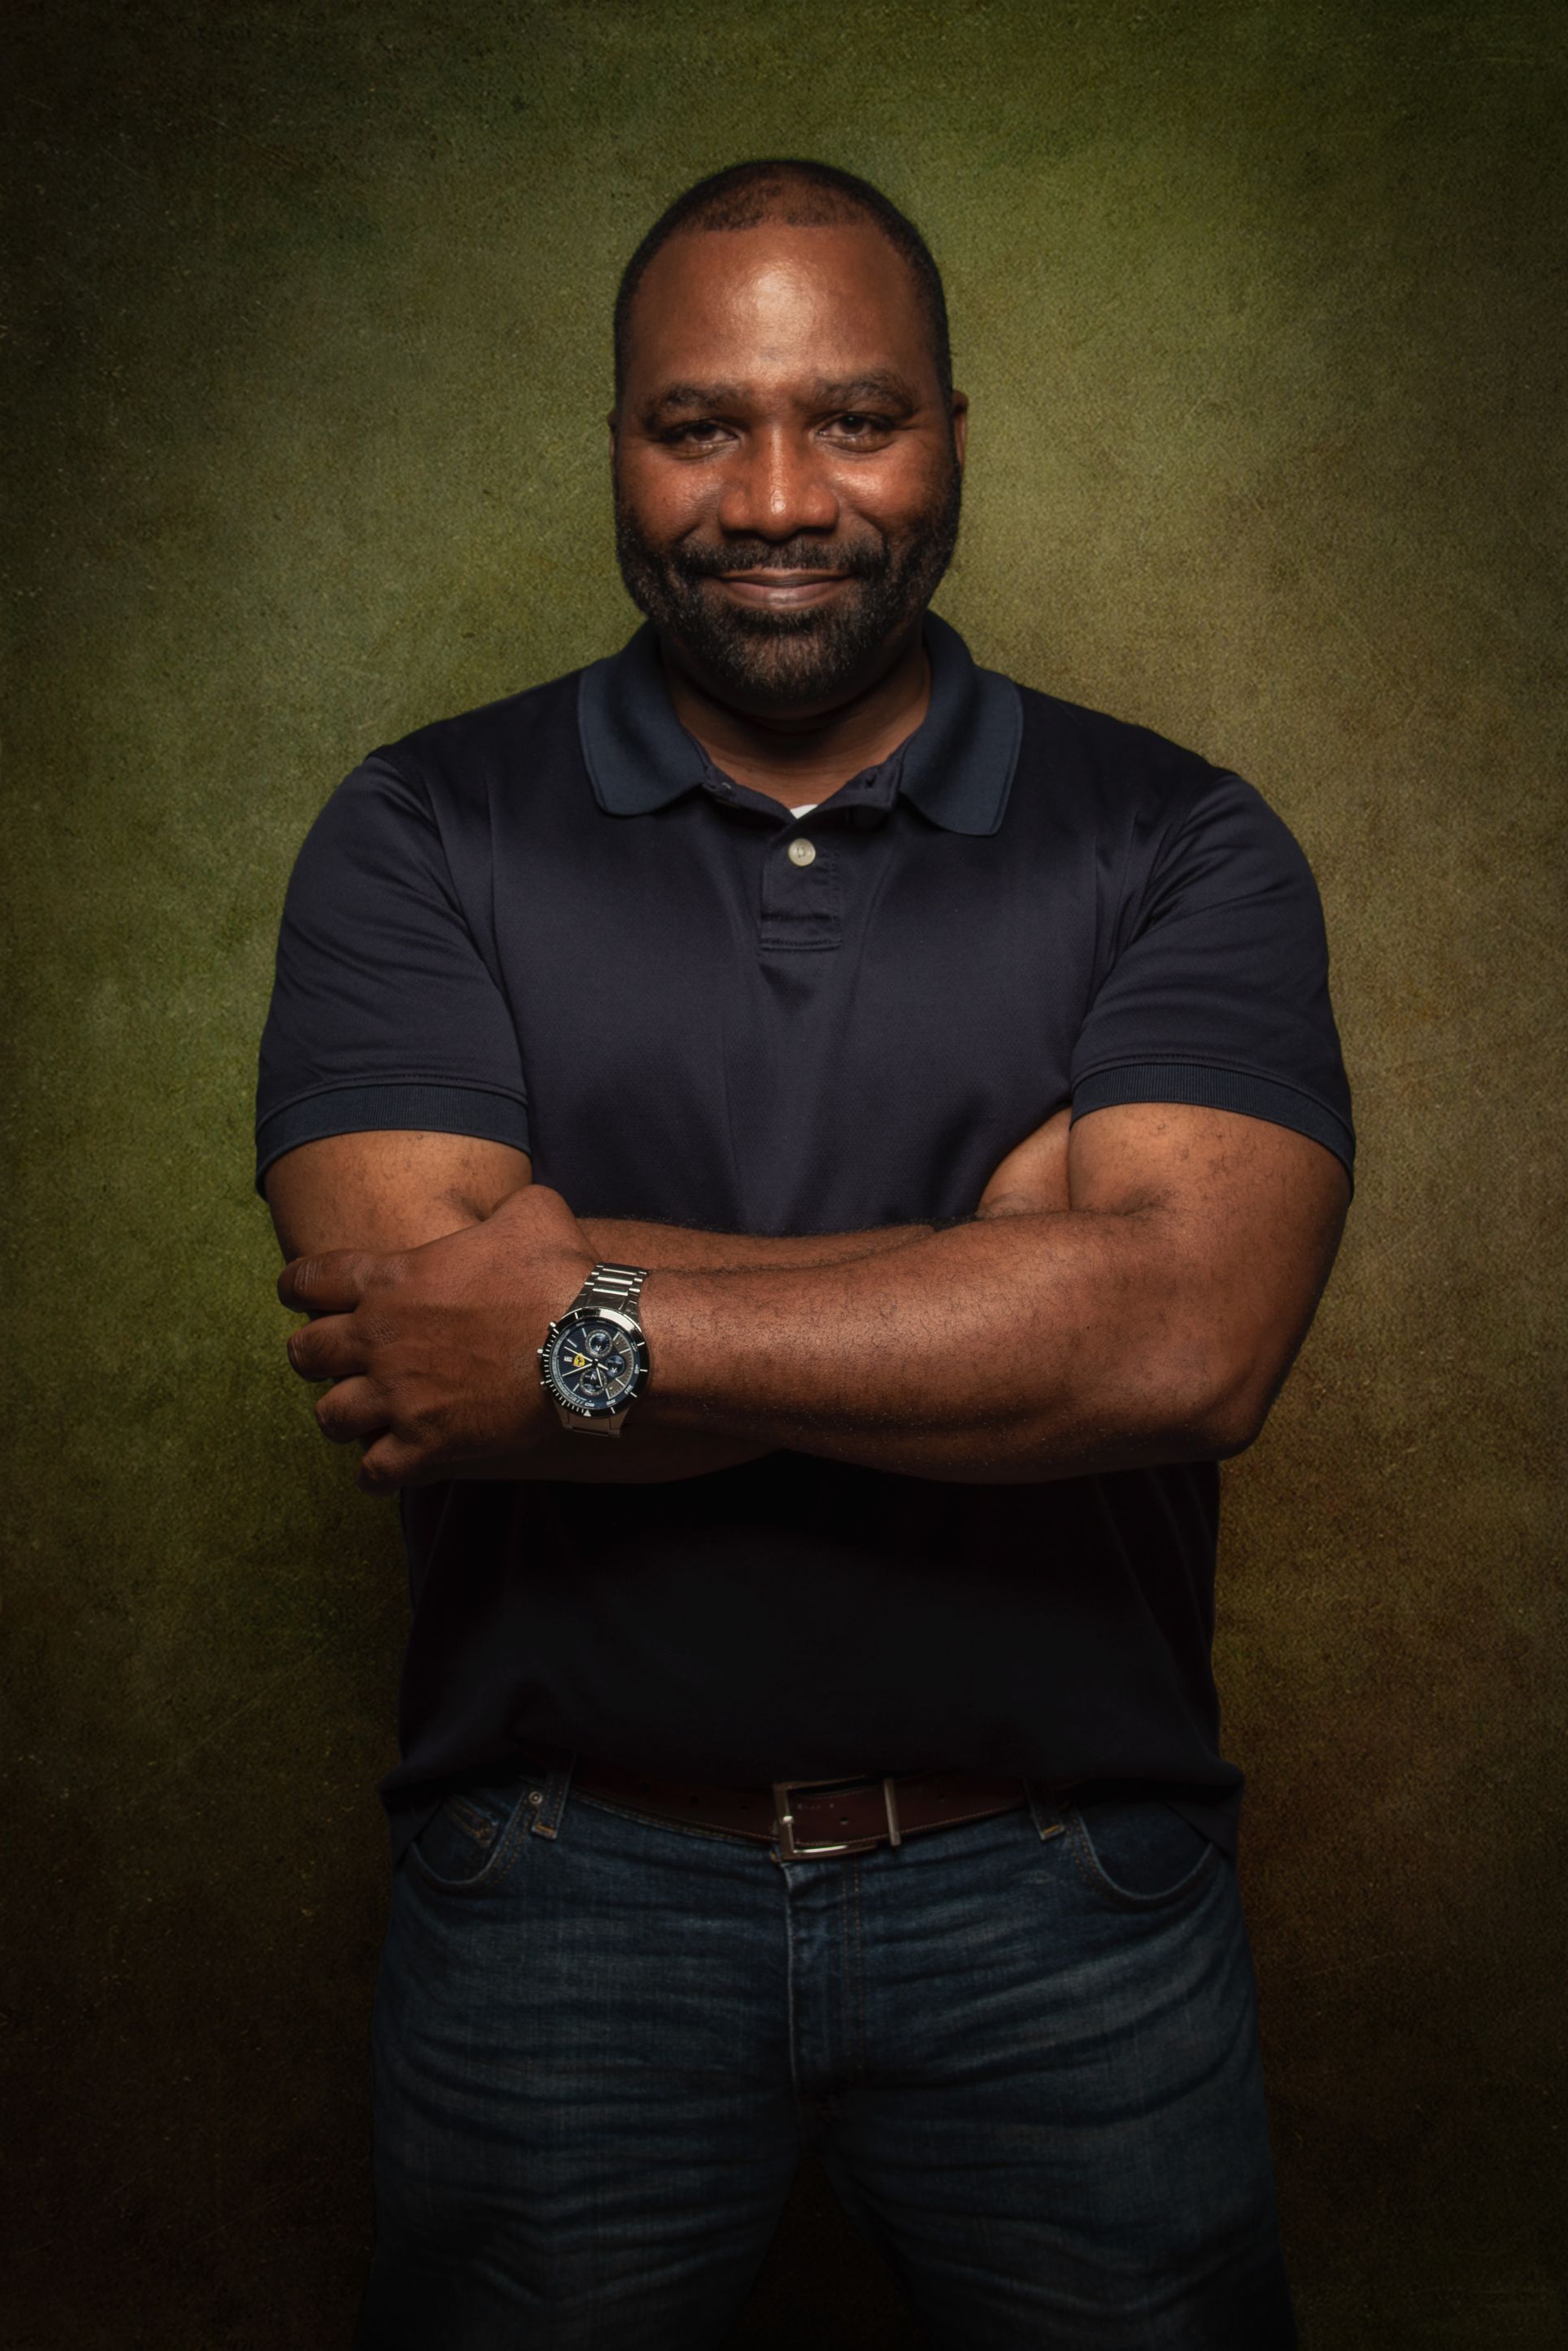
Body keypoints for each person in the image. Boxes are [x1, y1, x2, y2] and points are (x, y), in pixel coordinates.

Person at [257, 158, 1352, 2351]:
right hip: (562, 1896)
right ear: (617, 443)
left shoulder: (1178, 842)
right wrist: (1009, 1272)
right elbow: (424, 1337)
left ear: (952, 433)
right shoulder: (420, 832)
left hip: (1071, 1898)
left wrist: (585, 1315)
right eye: (700, 426)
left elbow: (1190, 1343)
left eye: (854, 419)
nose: (776, 497)